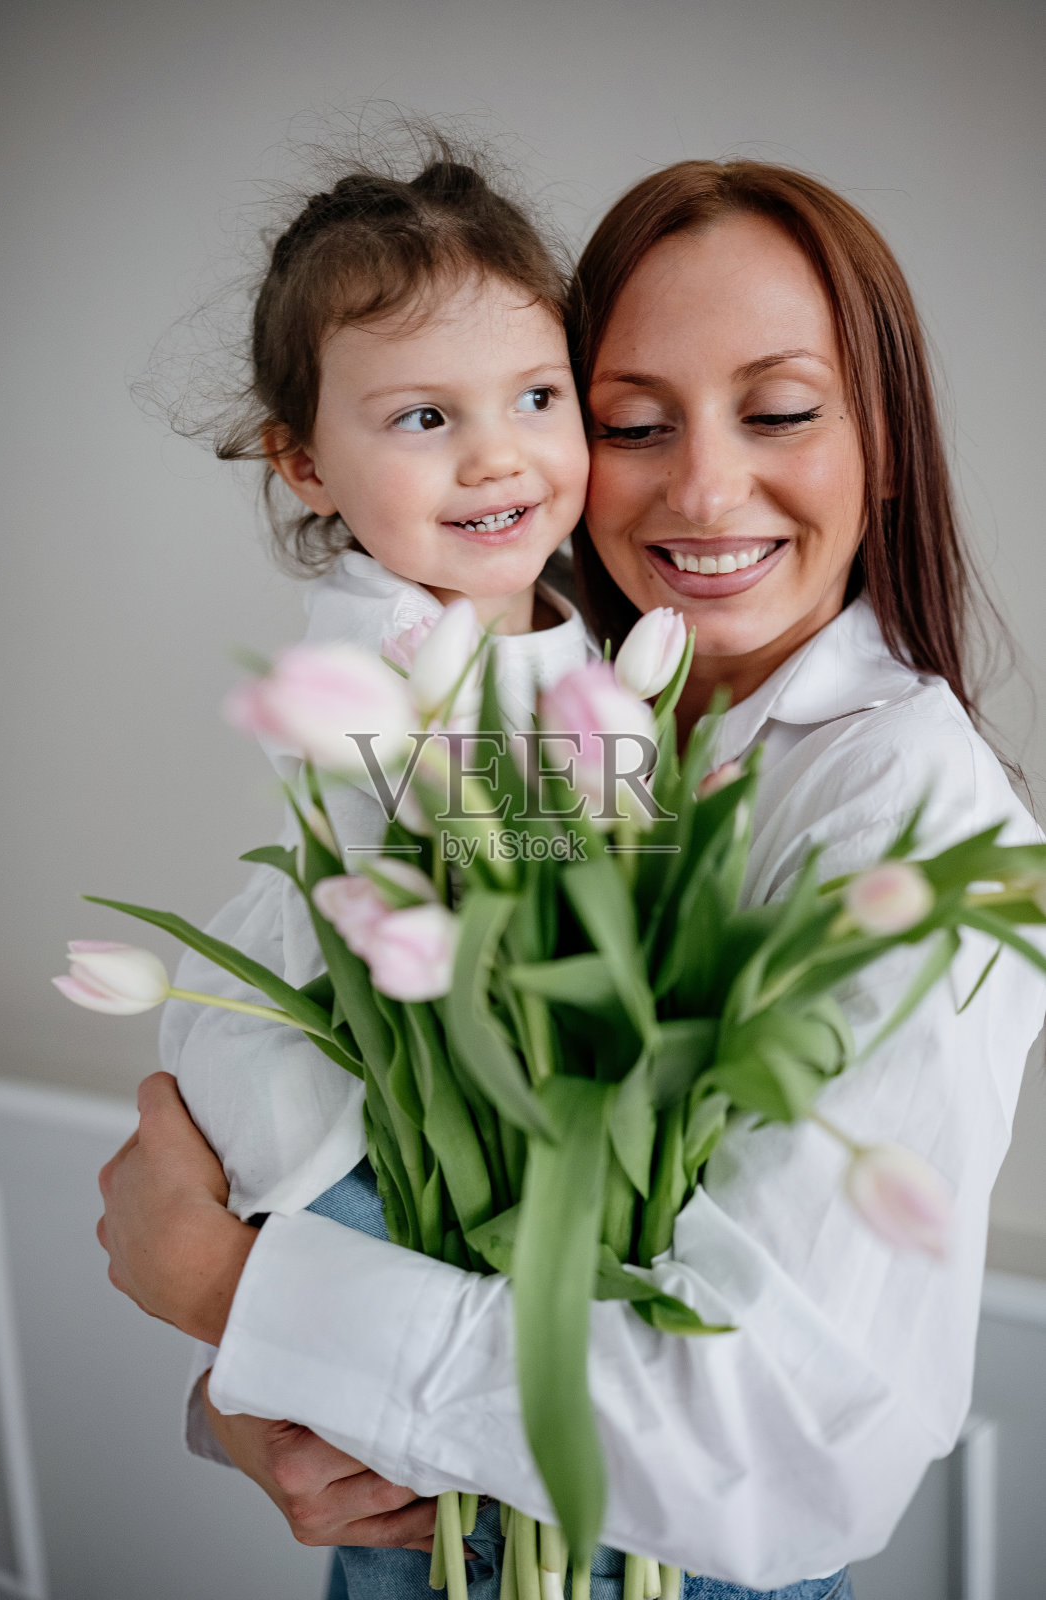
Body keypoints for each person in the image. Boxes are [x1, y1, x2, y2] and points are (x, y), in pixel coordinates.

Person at [97, 159, 1045, 1600]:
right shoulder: (561, 696)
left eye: (780, 410)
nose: (704, 485)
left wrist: (237, 1295)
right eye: (629, 423)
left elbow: (775, 1455)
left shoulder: (903, 817)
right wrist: (256, 1404)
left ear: (886, 442)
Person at [160, 148, 591, 1224]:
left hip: (492, 1065)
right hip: (341, 1089)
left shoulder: (585, 620)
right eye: (425, 418)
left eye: (536, 396)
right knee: (345, 1338)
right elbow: (475, 856)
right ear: (304, 465)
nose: (497, 456)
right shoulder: (367, 648)